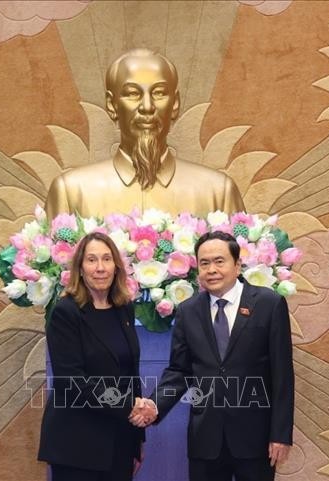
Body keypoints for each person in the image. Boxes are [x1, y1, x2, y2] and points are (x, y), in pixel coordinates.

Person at [131, 231, 294, 481]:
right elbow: (180, 371)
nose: (212, 270)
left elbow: (282, 375)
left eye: (220, 261)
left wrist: (280, 434)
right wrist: (155, 405)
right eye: (204, 263)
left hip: (255, 438)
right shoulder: (188, 311)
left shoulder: (268, 304)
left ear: (237, 264)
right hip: (205, 438)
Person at [45, 48, 245, 219]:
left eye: (159, 93)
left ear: (174, 104)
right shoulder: (70, 192)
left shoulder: (218, 192)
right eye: (132, 93)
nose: (147, 107)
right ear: (111, 105)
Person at [38, 232, 151, 481]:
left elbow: (130, 376)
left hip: (119, 442)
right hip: (77, 445)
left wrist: (136, 440)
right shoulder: (65, 312)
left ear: (116, 266)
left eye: (106, 259)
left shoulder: (124, 309)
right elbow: (72, 382)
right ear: (79, 268)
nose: (100, 268)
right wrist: (130, 406)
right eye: (91, 260)